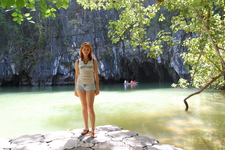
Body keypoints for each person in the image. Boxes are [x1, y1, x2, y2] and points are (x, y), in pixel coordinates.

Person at [74, 42, 100, 138]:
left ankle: (93, 130)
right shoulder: (77, 62)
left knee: (90, 108)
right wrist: (75, 89)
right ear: (81, 50)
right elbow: (76, 75)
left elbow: (96, 75)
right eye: (84, 49)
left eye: (87, 49)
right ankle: (86, 128)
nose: (86, 51)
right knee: (84, 107)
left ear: (90, 51)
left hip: (90, 85)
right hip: (80, 85)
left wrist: (97, 87)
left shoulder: (93, 61)